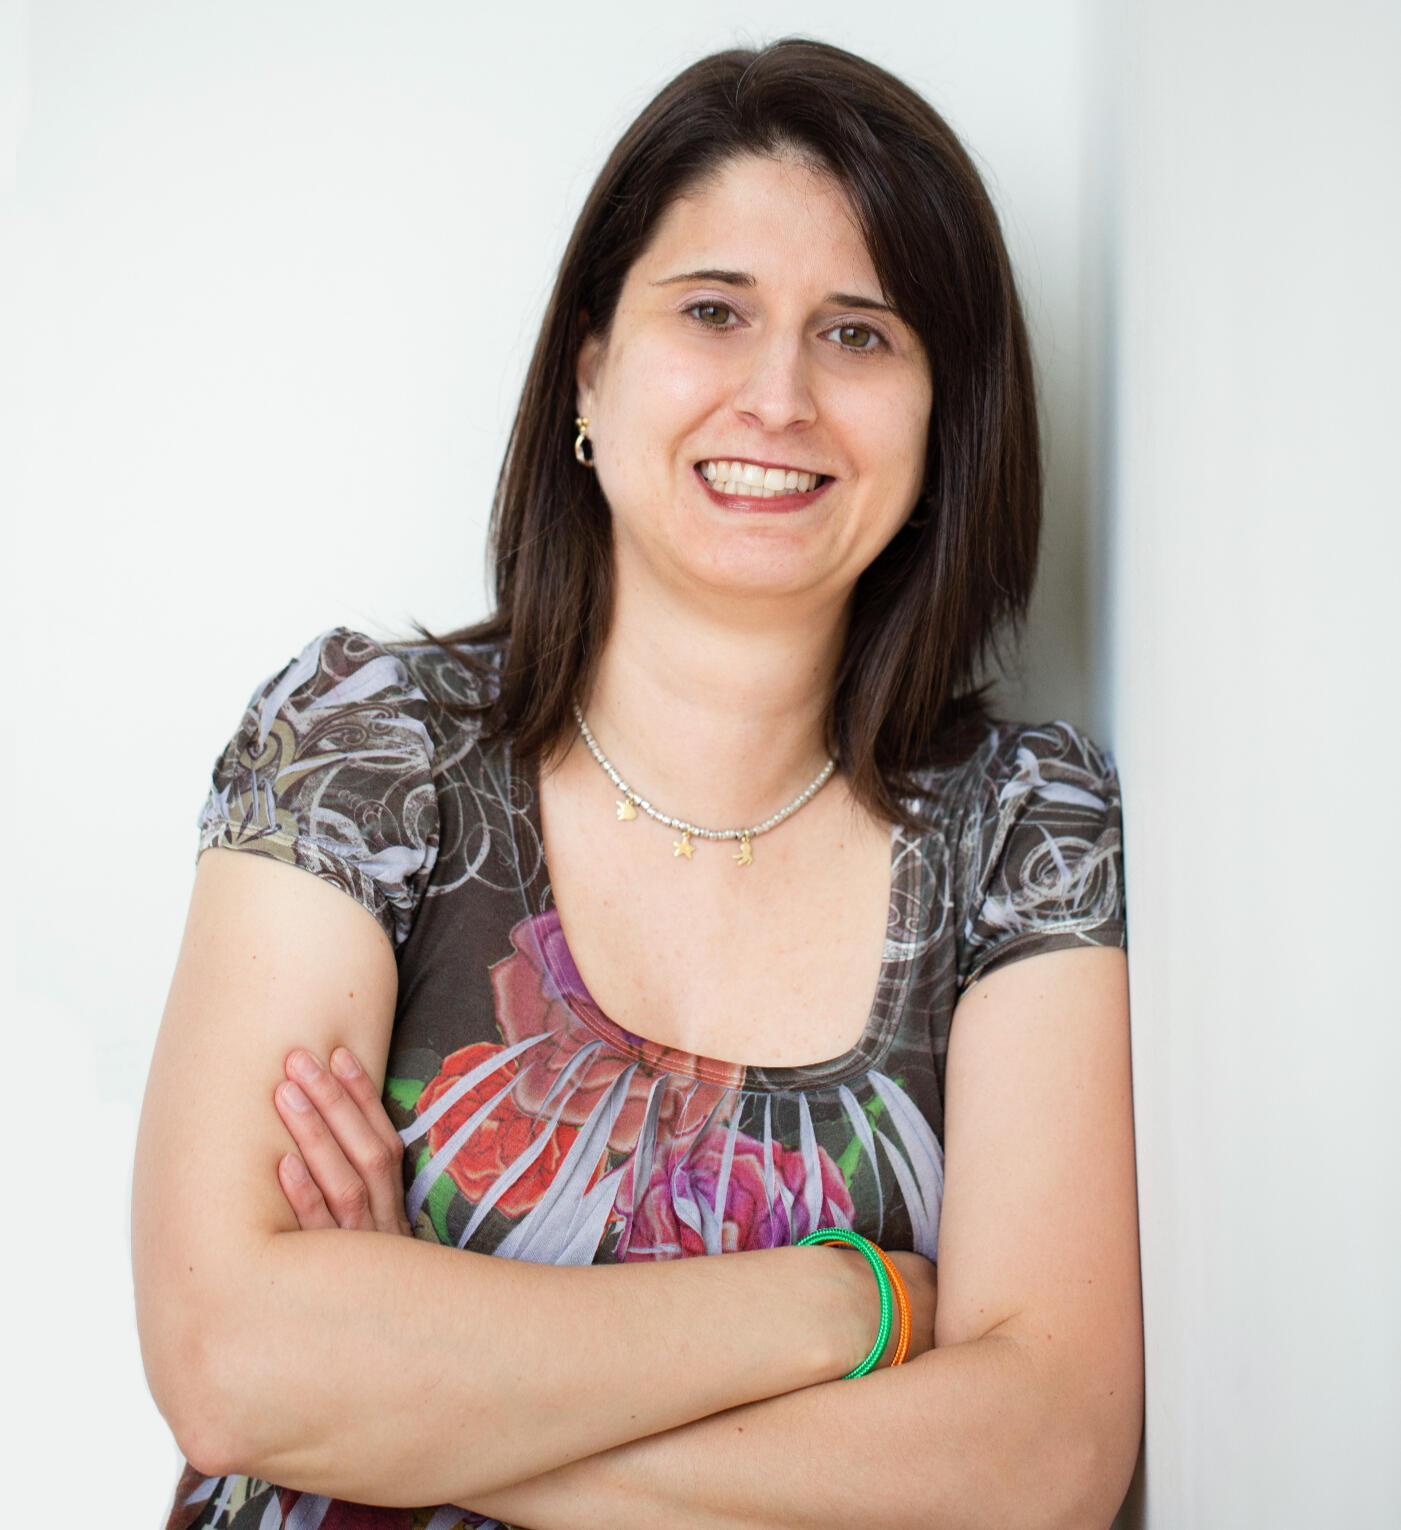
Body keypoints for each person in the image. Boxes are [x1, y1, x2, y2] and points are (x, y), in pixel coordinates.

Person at [133, 36, 1142, 1530]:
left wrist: (408, 1396)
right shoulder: (367, 747)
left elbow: (1039, 1459)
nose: (778, 396)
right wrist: (844, 1308)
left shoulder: (1020, 833)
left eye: (858, 335)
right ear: (591, 372)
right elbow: (231, 1363)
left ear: (940, 432)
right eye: (713, 311)